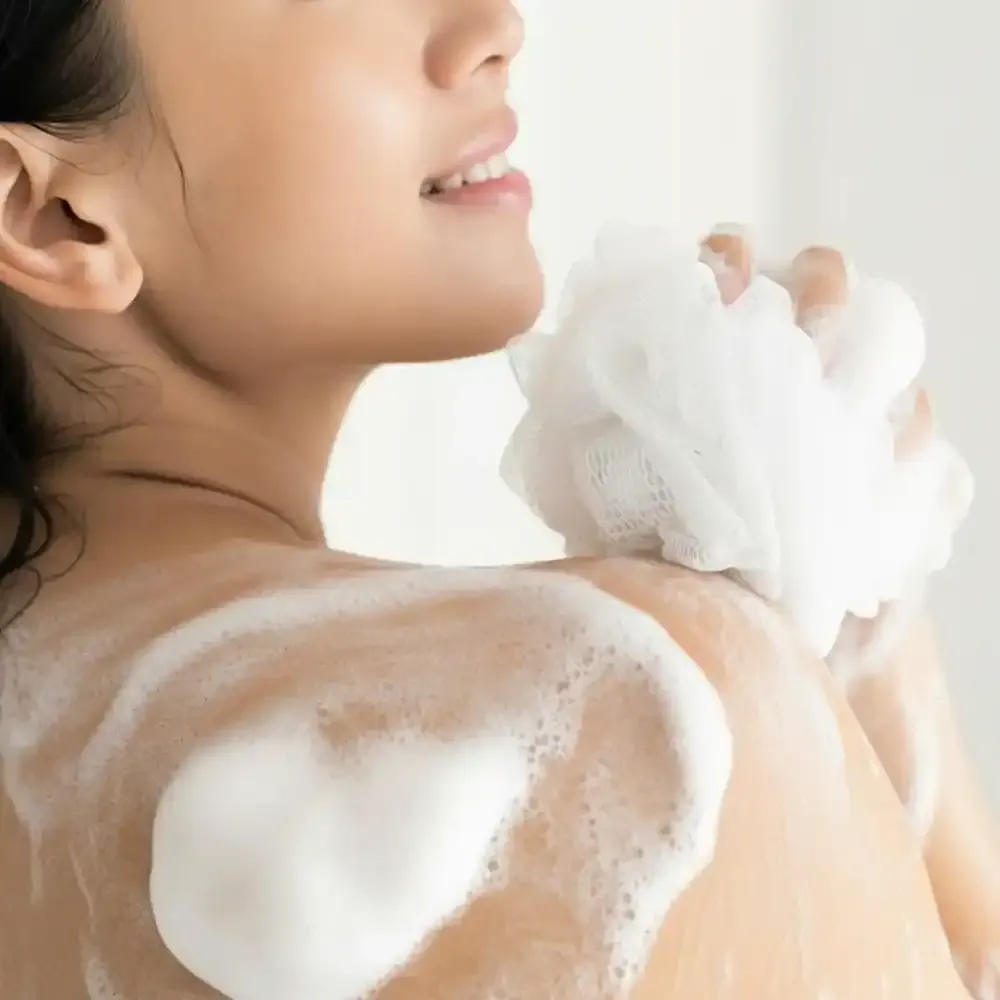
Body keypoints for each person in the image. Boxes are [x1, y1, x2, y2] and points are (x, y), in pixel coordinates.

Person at [0, 1, 991, 997]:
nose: (493, 25)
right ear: (51, 216)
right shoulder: (638, 717)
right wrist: (803, 672)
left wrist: (841, 645)